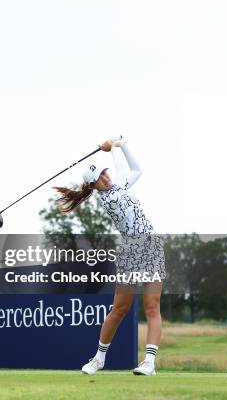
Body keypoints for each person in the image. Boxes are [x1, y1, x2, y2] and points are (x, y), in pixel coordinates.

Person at [53, 137, 165, 376]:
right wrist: (113, 148)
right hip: (130, 253)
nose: (106, 177)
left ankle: (149, 363)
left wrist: (123, 145)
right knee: (119, 309)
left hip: (151, 247)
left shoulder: (119, 187)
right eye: (100, 178)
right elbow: (124, 171)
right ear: (94, 186)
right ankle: (99, 359)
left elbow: (137, 170)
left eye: (105, 173)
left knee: (152, 306)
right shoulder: (111, 197)